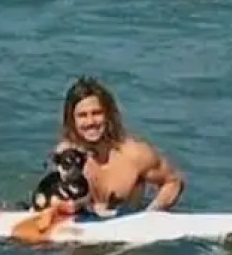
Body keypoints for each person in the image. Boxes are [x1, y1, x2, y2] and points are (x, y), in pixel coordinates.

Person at [51, 76, 186, 217]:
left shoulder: (135, 154)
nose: (90, 122)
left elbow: (173, 181)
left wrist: (150, 214)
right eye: (82, 115)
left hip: (126, 227)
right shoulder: (66, 157)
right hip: (85, 229)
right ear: (72, 120)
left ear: (108, 114)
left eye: (96, 113)